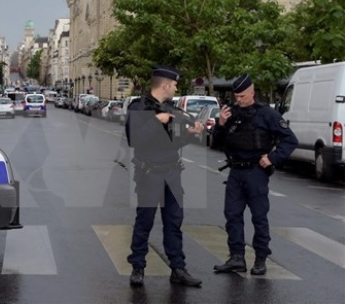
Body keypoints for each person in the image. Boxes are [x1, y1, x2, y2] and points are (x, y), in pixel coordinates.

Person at [125, 65, 205, 287]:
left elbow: (176, 140)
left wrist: (190, 134)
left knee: (174, 223)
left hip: (172, 173)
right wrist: (156, 121)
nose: (176, 87)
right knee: (145, 222)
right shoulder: (138, 107)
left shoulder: (172, 109)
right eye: (175, 84)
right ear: (165, 85)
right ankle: (138, 267)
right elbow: (134, 139)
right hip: (149, 174)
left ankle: (178, 269)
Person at [212, 74, 297, 275]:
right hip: (235, 172)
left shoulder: (267, 114)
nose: (239, 100)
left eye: (242, 96)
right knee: (232, 215)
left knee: (259, 217)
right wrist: (221, 124)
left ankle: (260, 259)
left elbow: (290, 140)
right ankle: (236, 258)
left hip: (256, 173)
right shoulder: (230, 113)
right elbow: (216, 143)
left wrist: (273, 158)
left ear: (252, 92)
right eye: (236, 97)